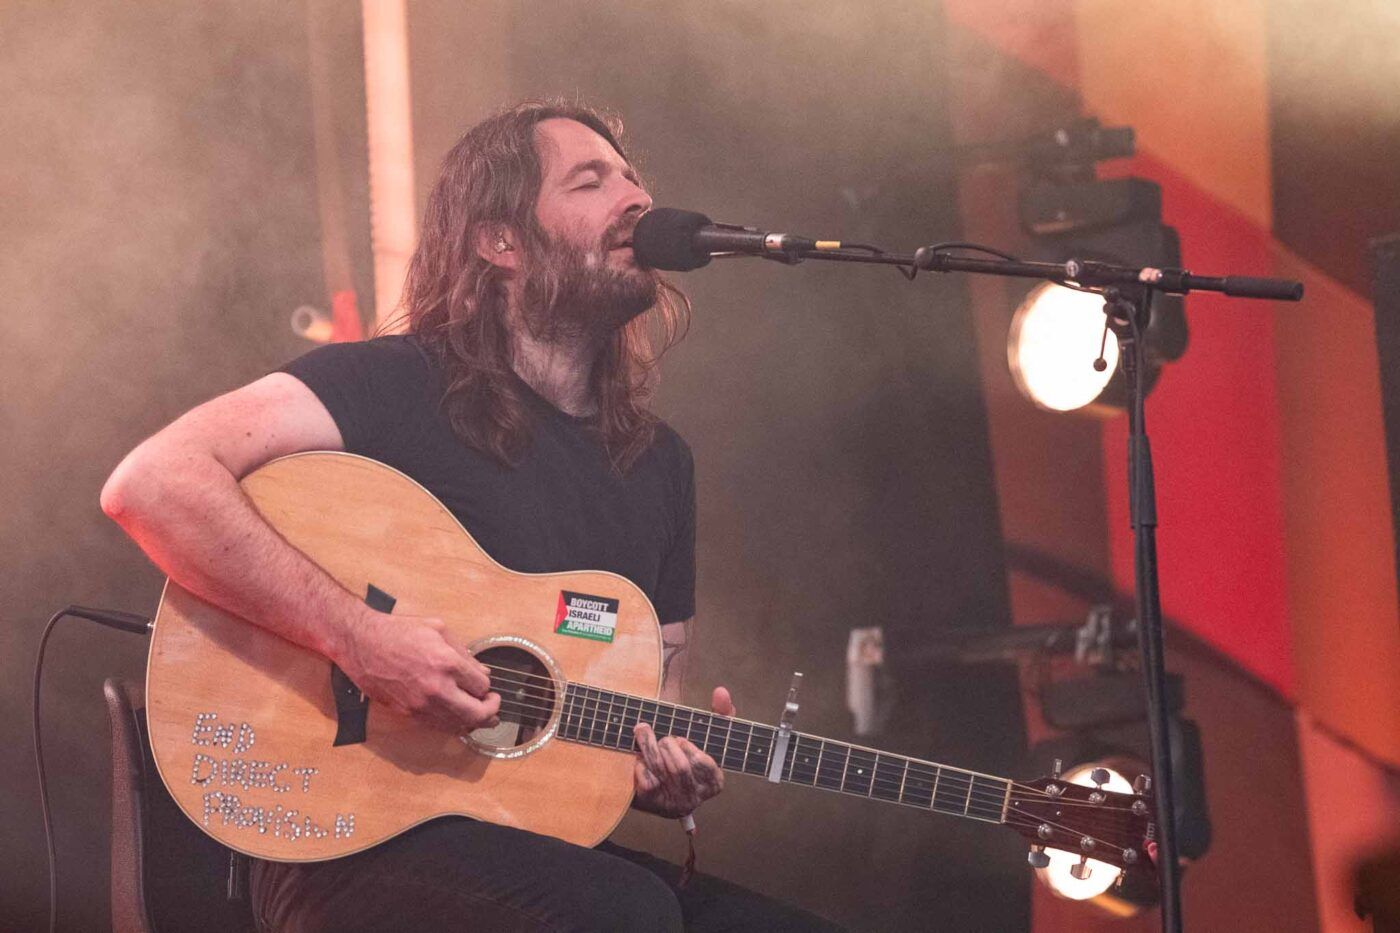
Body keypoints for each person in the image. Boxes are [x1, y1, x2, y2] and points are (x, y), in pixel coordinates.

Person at [101, 99, 840, 932]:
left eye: (635, 180)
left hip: (537, 856)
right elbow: (153, 482)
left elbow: (653, 696)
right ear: (502, 242)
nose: (635, 200)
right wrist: (359, 638)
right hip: (343, 847)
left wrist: (668, 772)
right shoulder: (394, 383)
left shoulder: (661, 465)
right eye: (591, 181)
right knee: (627, 917)